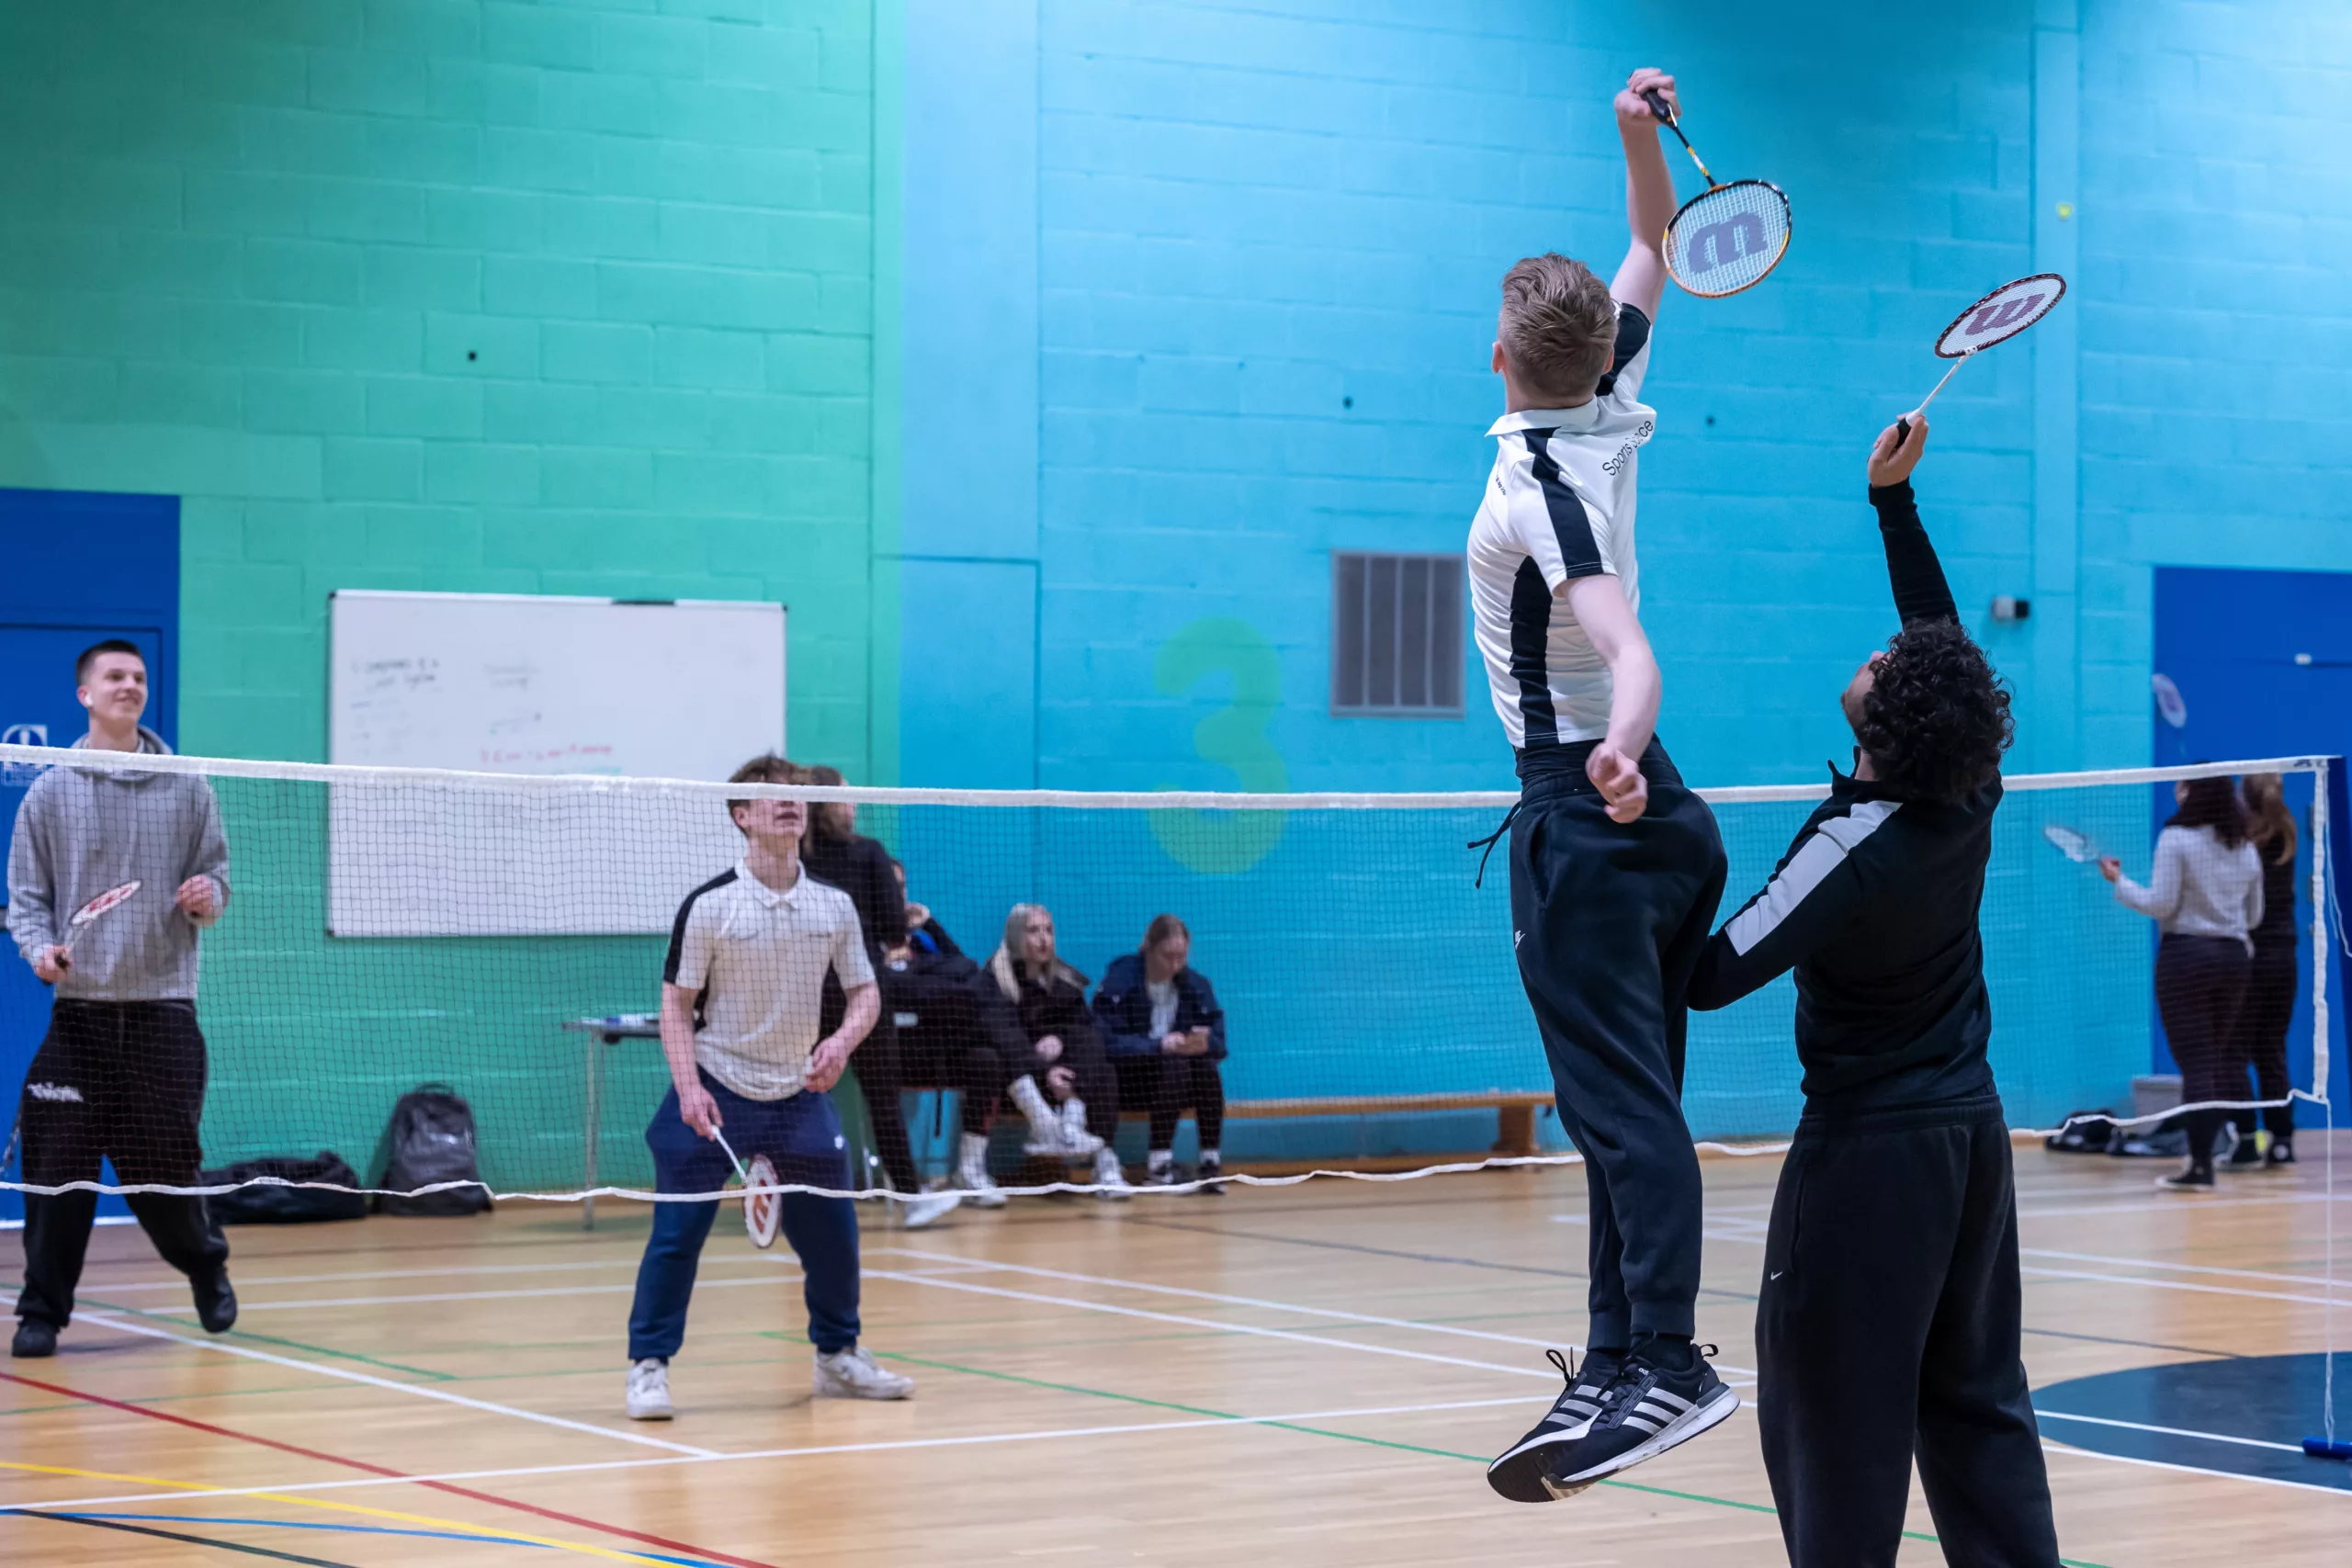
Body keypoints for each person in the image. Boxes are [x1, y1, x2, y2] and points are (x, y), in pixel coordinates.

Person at [1681, 418, 2058, 1566]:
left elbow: (1712, 973)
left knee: (1832, 1411)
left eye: (1887, 667)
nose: (1882, 653)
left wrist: (1642, 869)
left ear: (1888, 722)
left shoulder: (1856, 844)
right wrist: (1894, 503)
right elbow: (1940, 639)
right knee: (1976, 1402)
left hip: (1869, 1162)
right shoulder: (1968, 789)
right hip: (1970, 1141)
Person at [1478, 67, 1736, 1504]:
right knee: (1617, 1106)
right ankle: (1616, 1353)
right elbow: (1651, 241)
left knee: (1623, 1114)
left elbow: (1626, 644)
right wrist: (1635, 131)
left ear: (1499, 357)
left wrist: (1619, 748)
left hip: (1589, 808)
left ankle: (1671, 1361)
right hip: (1648, 819)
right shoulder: (1611, 391)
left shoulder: (1540, 481)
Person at [623, 755, 914, 1419]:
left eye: (796, 796)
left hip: (798, 1093)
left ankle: (837, 1356)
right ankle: (648, 1366)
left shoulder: (833, 906)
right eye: (770, 795)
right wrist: (688, 1087)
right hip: (717, 1090)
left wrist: (841, 1043)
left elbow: (866, 992)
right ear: (742, 816)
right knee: (676, 1235)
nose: (788, 803)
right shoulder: (710, 906)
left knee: (834, 1233)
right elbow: (675, 1005)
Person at [8, 640, 237, 1360]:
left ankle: (205, 1265)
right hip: (79, 1015)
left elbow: (217, 878)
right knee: (56, 1172)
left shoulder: (188, 787)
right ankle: (41, 1313)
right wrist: (40, 951)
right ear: (86, 693)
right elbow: (27, 901)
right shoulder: (50, 792)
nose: (130, 685)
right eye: (115, 676)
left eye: (138, 676)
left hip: (163, 1010)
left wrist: (207, 896)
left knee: (162, 1173)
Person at [878, 862, 1100, 1209]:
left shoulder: (919, 939)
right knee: (983, 1004)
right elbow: (894, 986)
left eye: (903, 885)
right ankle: (1043, 1120)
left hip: (940, 1048)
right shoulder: (864, 937)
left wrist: (930, 927)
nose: (899, 893)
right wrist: (928, 977)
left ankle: (970, 1170)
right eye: (890, 885)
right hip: (891, 1052)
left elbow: (964, 968)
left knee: (987, 1057)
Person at [797, 767, 957, 1229]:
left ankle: (796, 1197)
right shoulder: (868, 853)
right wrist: (897, 926)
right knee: (883, 1100)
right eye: (847, 795)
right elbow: (892, 929)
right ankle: (909, 1196)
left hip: (805, 991)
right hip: (860, 991)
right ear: (829, 801)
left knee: (801, 1097)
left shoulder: (795, 857)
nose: (854, 803)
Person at [2100, 774, 2263, 1190]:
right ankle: (2209, 1158)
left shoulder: (2176, 838)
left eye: (2182, 783)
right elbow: (2255, 916)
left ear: (2191, 791)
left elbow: (2161, 903)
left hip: (2187, 959)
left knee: (2198, 1066)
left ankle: (2200, 1167)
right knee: (2213, 1061)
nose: (2176, 789)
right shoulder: (2245, 846)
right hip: (2234, 961)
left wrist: (2119, 882)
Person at [978, 904, 1129, 1198]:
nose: (1043, 939)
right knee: (998, 1050)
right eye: (1033, 931)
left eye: (1048, 930)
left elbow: (1086, 1030)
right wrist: (1046, 1069)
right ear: (1015, 936)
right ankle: (1047, 1129)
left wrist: (1060, 1040)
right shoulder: (994, 978)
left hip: (1067, 1085)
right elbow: (1003, 1035)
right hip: (1020, 1083)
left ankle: (1102, 1161)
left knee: (1103, 1064)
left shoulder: (1065, 981)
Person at [1093, 914, 1227, 1191]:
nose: (1175, 965)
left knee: (1207, 1069)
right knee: (1174, 1062)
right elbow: (1103, 1040)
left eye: (1182, 957)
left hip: (1177, 1086)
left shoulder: (1196, 985)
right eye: (1168, 956)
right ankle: (1159, 1165)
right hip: (1127, 1083)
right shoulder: (1121, 979)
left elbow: (1220, 1040)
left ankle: (1210, 1162)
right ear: (1149, 949)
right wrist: (1157, 1045)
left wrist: (1206, 1043)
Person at [2231, 773, 2299, 1167]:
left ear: (2245, 795)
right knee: (2272, 1050)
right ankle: (2282, 1141)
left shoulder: (2242, 840)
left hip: (2252, 957)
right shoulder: (2287, 830)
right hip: (2285, 958)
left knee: (2234, 1050)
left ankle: (2245, 1140)